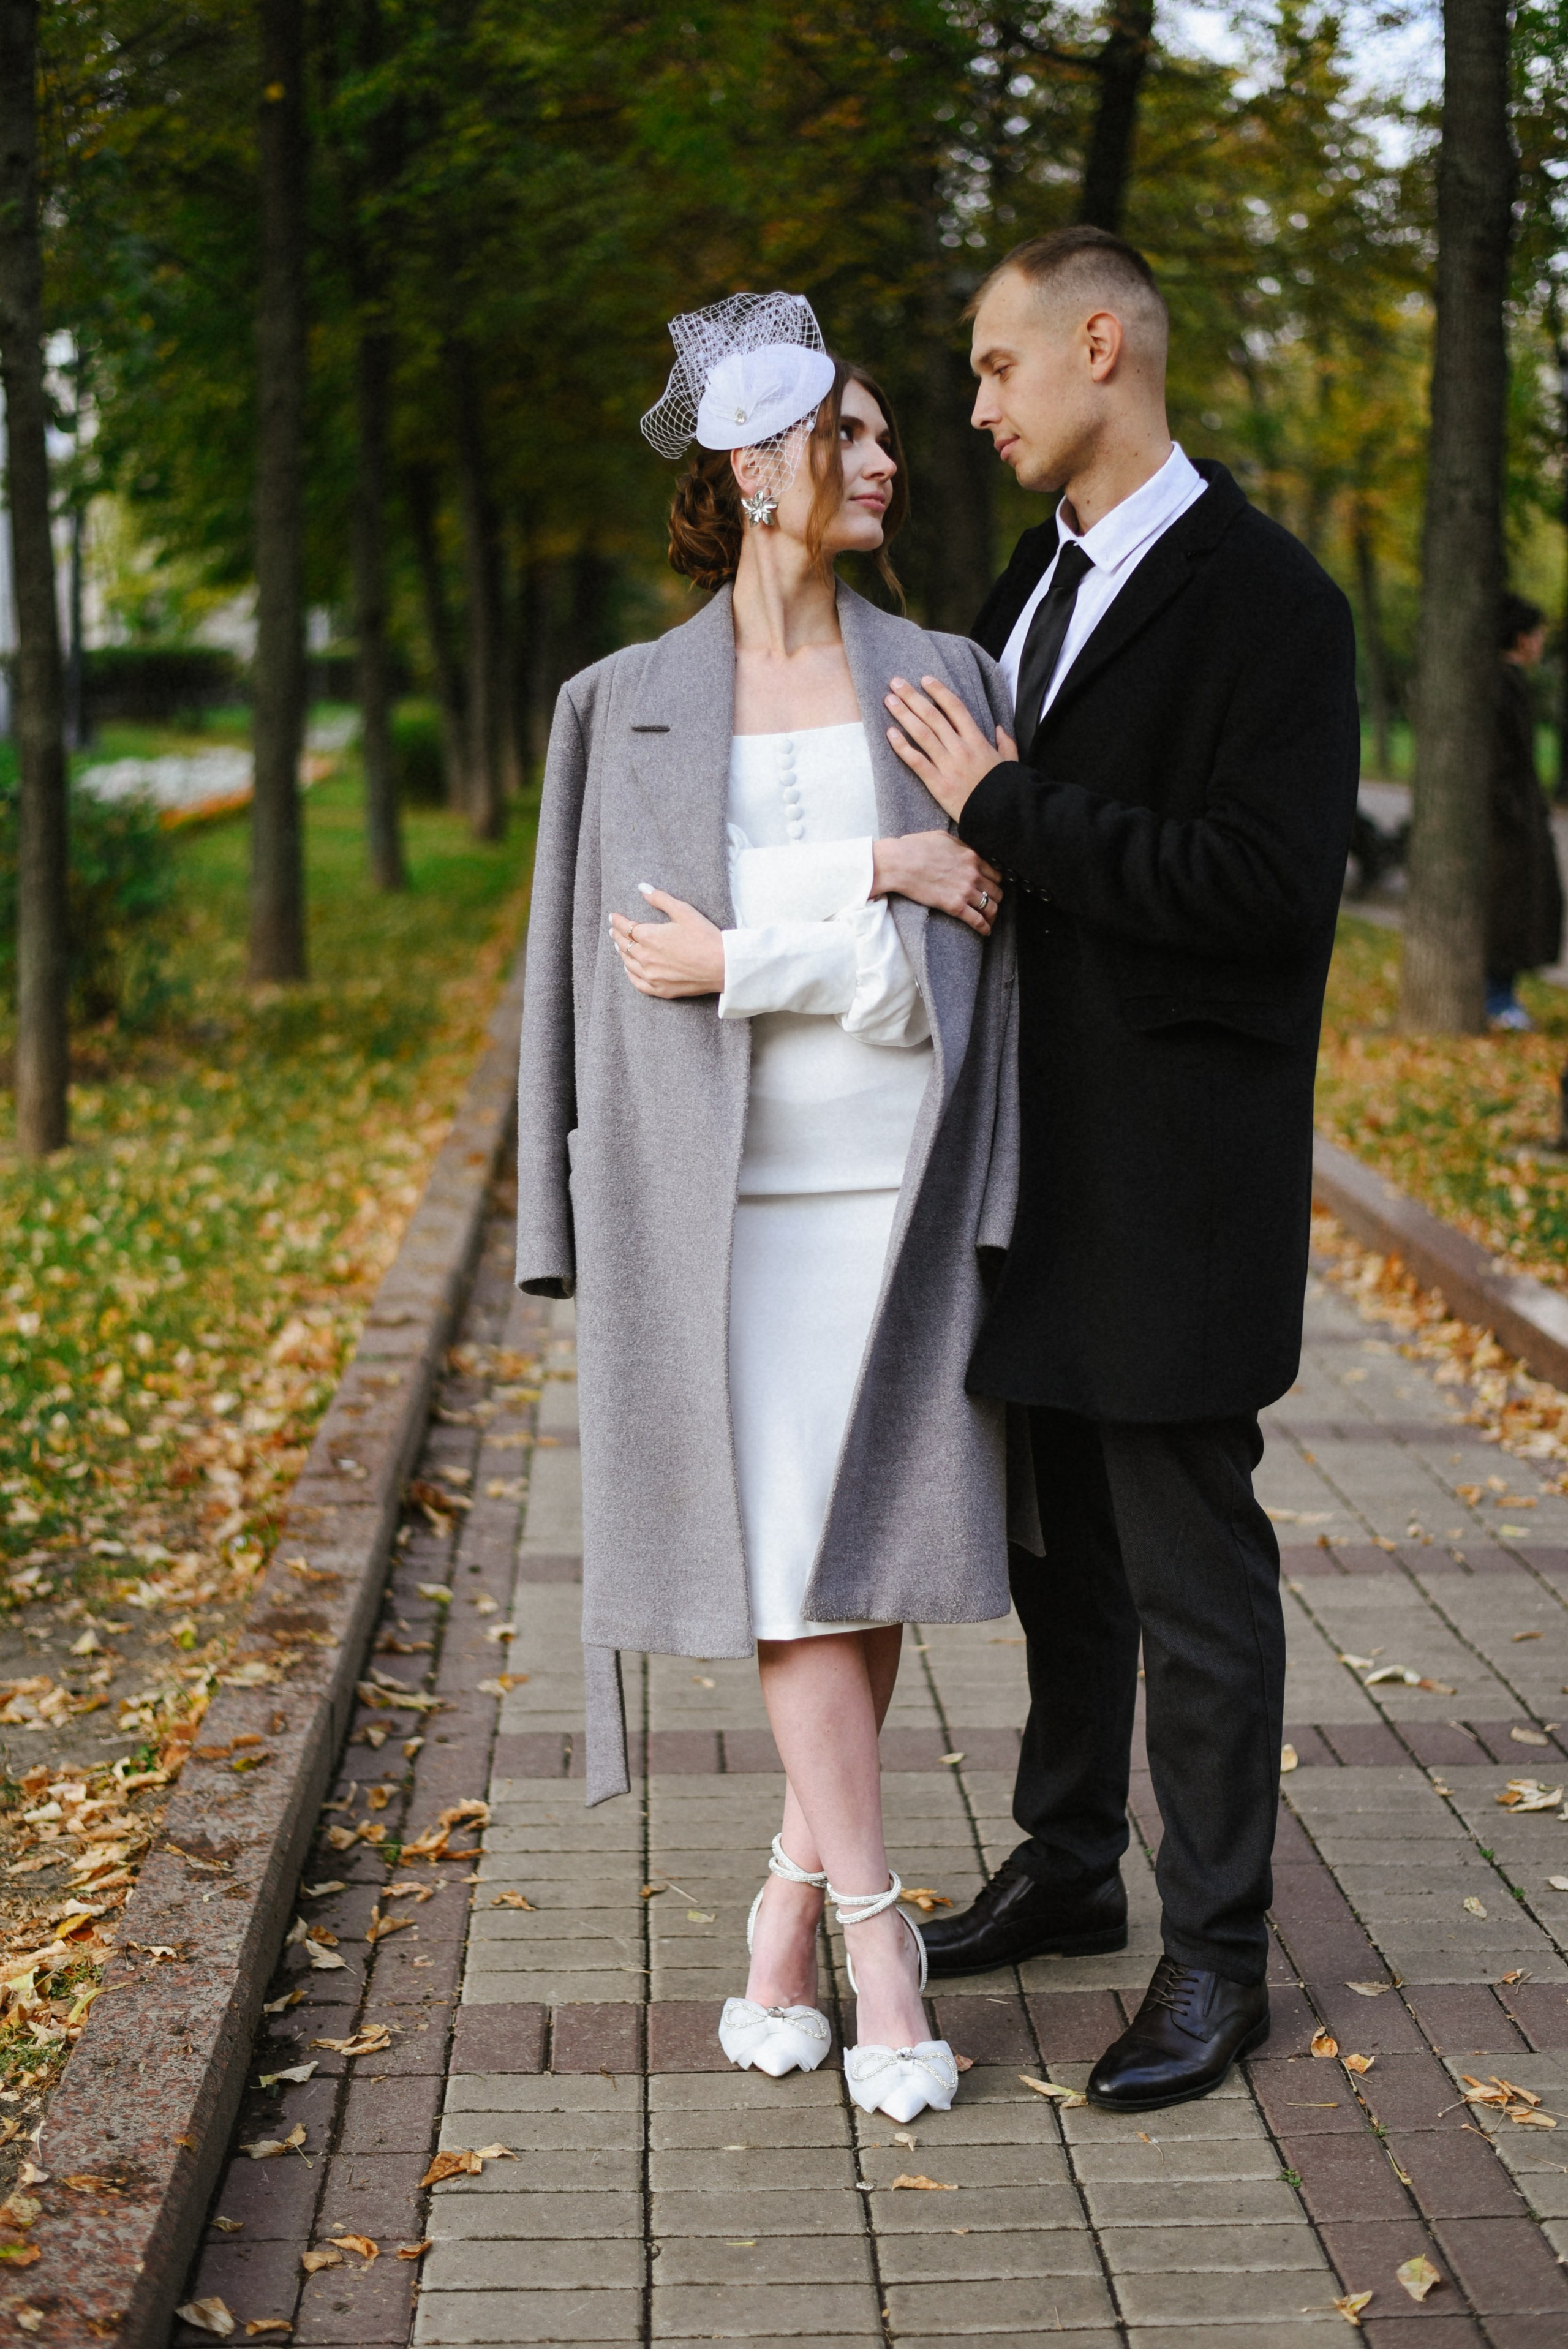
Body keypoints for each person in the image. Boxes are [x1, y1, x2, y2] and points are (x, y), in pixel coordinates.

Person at [514, 292, 1023, 2125]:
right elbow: (628, 962)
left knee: (857, 1554)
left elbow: (953, 968)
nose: (888, 460)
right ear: (753, 467)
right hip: (718, 1214)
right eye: (851, 435)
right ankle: (879, 1927)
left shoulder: (949, 676)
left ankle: (782, 1911)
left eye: (889, 436)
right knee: (803, 1567)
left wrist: (768, 941)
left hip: (903, 1194)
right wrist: (871, 873)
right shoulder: (620, 706)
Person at [882, 227, 1360, 2113]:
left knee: (1188, 1575)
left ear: (1100, 345)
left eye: (997, 368)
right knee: (1062, 1561)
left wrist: (1007, 816)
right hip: (1024, 1166)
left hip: (1171, 1182)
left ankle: (1216, 1955)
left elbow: (1256, 891)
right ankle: (1069, 1867)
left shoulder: (1271, 604)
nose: (978, 406)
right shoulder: (1035, 576)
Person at [1485, 592, 1562, 1032]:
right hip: (1509, 829)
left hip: (1518, 823)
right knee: (1508, 914)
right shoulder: (1502, 686)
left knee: (1518, 911)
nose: (1541, 644)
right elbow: (1502, 764)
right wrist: (1517, 817)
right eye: (1537, 636)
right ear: (1521, 638)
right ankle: (1497, 998)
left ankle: (1502, 994)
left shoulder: (1510, 685)